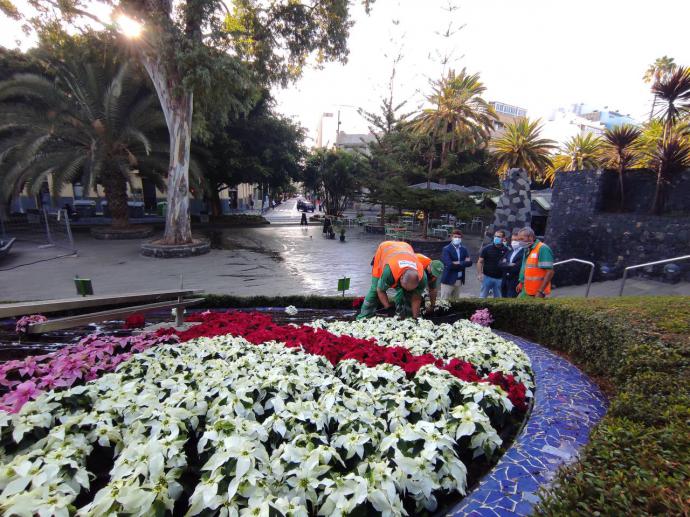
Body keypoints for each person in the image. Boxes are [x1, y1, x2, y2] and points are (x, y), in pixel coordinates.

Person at [357, 241, 428, 319]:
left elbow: (416, 298)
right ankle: (364, 316)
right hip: (385, 249)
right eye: (405, 287)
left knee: (409, 294)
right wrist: (388, 307)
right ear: (401, 278)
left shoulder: (422, 278)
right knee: (375, 289)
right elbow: (380, 290)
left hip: (405, 247)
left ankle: (406, 315)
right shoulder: (389, 271)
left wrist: (415, 318)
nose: (405, 290)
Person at [516, 227, 555, 298]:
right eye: (519, 240)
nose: (520, 242)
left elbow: (550, 272)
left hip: (536, 293)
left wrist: (540, 291)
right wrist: (521, 282)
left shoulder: (543, 248)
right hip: (527, 289)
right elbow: (525, 267)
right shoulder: (527, 248)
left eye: (522, 239)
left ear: (531, 237)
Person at [439, 230, 472, 300]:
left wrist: (456, 263)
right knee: (444, 302)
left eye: (459, 237)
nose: (457, 239)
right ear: (451, 237)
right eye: (455, 237)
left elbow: (469, 263)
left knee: (456, 301)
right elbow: (449, 264)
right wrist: (463, 263)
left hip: (459, 280)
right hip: (448, 280)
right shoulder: (446, 249)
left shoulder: (464, 249)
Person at [477, 229, 508, 298]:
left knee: (498, 299)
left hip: (499, 279)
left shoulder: (507, 250)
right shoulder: (487, 248)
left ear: (503, 239)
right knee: (482, 297)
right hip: (487, 277)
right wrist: (479, 274)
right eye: (495, 236)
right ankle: (481, 309)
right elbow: (480, 261)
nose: (496, 238)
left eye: (499, 236)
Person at [500, 229, 526, 298]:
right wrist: (509, 264)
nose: (513, 242)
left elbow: (516, 268)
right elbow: (500, 263)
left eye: (516, 240)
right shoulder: (510, 251)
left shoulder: (524, 253)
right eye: (512, 240)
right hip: (504, 281)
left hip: (514, 283)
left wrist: (506, 264)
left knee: (509, 302)